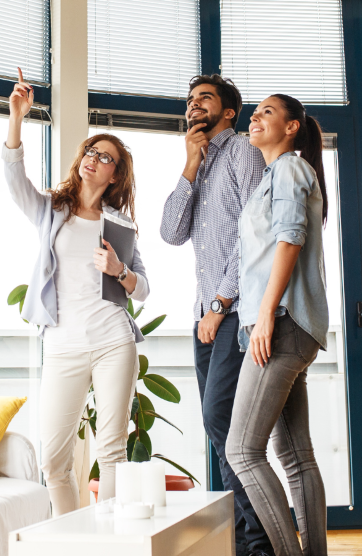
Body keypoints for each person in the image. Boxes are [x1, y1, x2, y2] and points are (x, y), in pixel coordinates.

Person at [3, 69, 150, 516]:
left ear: (115, 173)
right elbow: (14, 181)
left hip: (112, 341)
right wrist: (16, 119)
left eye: (104, 156)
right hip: (63, 344)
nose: (92, 157)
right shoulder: (52, 209)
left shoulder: (120, 224)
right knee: (54, 459)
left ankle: (107, 545)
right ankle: (71, 539)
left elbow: (142, 288)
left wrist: (119, 269)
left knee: (111, 452)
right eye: (91, 150)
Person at [160, 75, 272, 556]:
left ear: (228, 111)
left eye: (203, 98)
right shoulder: (200, 162)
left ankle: (260, 541)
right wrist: (189, 163)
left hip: (232, 311)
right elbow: (169, 232)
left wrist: (219, 304)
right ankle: (252, 536)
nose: (193, 105)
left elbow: (255, 233)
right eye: (189, 100)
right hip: (204, 316)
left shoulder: (242, 151)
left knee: (223, 421)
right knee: (221, 427)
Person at [226, 94, 330, 556]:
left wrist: (266, 313)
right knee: (294, 455)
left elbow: (290, 238)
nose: (256, 117)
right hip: (293, 325)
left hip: (282, 322)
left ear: (291, 127)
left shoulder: (289, 167)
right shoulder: (276, 174)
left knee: (242, 451)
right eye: (256, 111)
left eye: (267, 112)